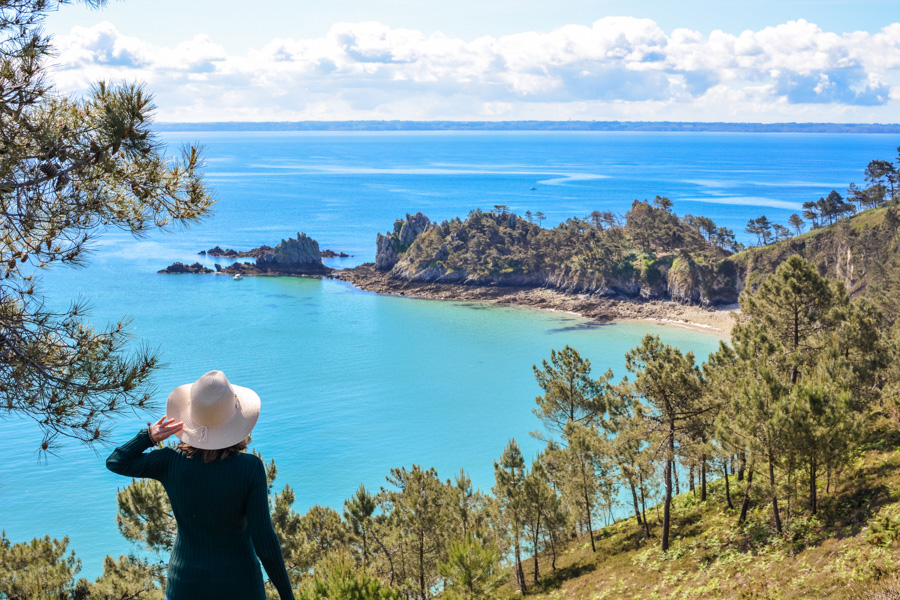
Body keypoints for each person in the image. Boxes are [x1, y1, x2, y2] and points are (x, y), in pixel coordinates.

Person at [106, 370, 295, 600]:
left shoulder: (169, 461)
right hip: (241, 588)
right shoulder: (250, 468)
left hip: (184, 587)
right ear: (236, 421)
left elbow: (116, 462)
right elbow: (265, 543)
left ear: (190, 417)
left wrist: (149, 436)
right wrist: (287, 596)